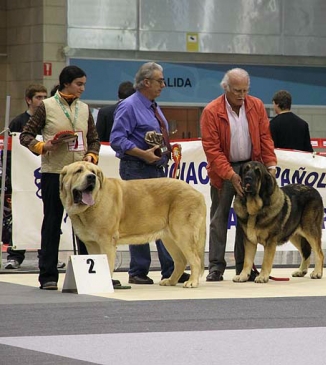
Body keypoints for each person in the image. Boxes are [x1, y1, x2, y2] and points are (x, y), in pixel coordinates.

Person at [19, 65, 100, 290]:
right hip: (55, 174)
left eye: (84, 84)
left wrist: (92, 155)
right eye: (79, 84)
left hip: (82, 176)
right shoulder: (46, 106)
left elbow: (93, 139)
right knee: (53, 223)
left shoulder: (85, 108)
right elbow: (25, 136)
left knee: (84, 223)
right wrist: (45, 146)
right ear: (66, 83)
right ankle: (48, 276)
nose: (83, 88)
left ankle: (87, 272)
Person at [110, 61, 189, 285]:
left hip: (156, 169)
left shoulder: (153, 106)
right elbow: (117, 139)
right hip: (137, 169)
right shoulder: (129, 106)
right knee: (138, 219)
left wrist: (167, 149)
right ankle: (138, 271)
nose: (163, 84)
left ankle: (170, 269)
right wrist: (143, 154)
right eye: (159, 81)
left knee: (162, 219)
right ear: (146, 82)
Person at [200, 68, 277, 282]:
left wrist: (270, 166)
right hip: (223, 170)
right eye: (237, 91)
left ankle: (245, 267)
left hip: (251, 167)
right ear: (225, 88)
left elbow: (265, 138)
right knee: (219, 218)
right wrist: (231, 176)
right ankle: (216, 266)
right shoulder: (211, 111)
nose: (242, 95)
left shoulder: (257, 106)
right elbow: (212, 151)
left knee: (248, 220)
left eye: (245, 90)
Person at [4, 84, 48, 269]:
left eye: (45, 97)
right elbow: (9, 152)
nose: (42, 101)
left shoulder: (49, 121)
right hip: (20, 178)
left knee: (46, 216)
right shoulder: (17, 122)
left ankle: (46, 254)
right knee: (20, 215)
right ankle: (15, 256)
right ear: (28, 100)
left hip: (43, 175)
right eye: (38, 97)